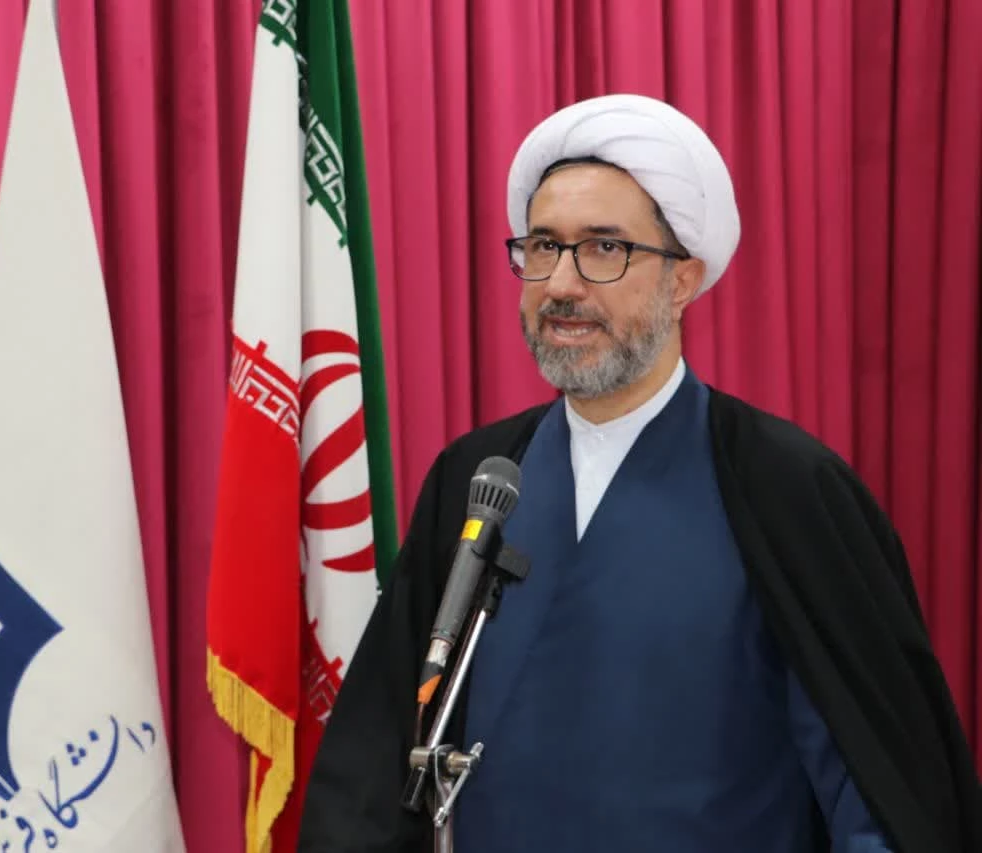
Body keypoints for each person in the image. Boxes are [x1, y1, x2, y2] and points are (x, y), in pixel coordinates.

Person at [296, 93, 982, 852]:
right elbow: (376, 760)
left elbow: (875, 791)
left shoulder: (790, 489)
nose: (562, 284)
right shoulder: (482, 478)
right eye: (544, 246)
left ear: (682, 280)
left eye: (604, 248)